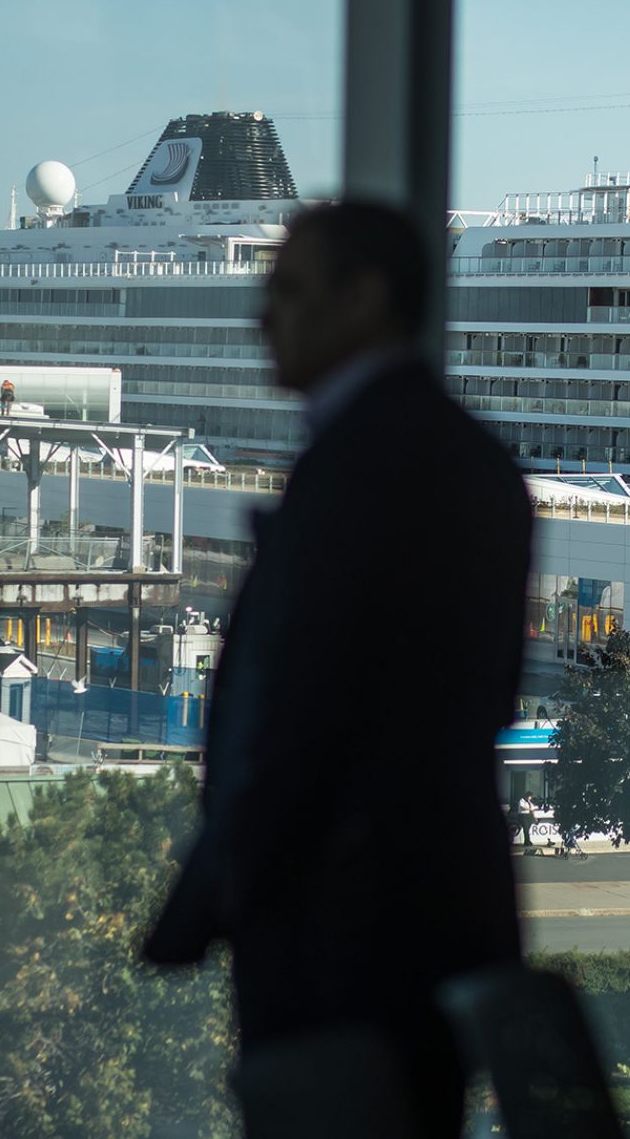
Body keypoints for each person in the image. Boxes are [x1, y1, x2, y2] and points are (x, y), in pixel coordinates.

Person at [144, 203, 531, 1137]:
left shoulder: (365, 467)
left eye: (288, 288)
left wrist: (231, 883)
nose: (261, 316)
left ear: (364, 299)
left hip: (344, 929)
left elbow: (306, 712)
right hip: (422, 911)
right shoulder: (460, 455)